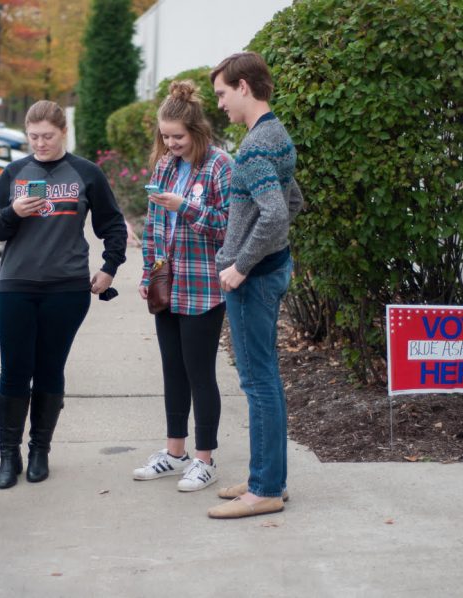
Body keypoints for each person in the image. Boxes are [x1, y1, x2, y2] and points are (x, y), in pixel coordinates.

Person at [0, 100, 127, 489]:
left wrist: (109, 267)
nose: (40, 144)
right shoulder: (14, 173)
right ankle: (8, 454)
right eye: (33, 137)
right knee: (15, 369)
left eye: (48, 136)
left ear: (63, 132)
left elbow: (113, 225)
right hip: (17, 285)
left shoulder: (86, 173)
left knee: (50, 368)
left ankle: (39, 450)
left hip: (66, 287)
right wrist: (14, 211)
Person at [206, 52, 304, 519]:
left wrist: (241, 264)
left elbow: (278, 212)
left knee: (259, 382)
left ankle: (265, 489)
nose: (220, 103)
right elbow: (293, 199)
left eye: (223, 93)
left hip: (254, 280)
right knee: (264, 380)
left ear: (244, 87)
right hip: (272, 270)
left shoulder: (256, 147)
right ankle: (268, 477)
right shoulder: (275, 135)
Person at [133, 80, 232, 492]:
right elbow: (153, 227)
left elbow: (228, 227)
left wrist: (186, 207)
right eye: (165, 136)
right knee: (172, 371)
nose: (171, 143)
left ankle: (204, 459)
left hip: (204, 287)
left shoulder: (219, 166)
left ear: (197, 131)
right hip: (167, 286)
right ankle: (175, 453)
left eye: (178, 136)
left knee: (199, 373)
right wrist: (146, 273)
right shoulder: (164, 168)